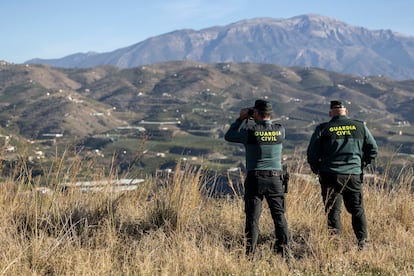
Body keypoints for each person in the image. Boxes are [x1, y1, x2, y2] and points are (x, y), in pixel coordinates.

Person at [307, 100, 378, 250]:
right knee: (357, 210)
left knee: (333, 211)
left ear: (330, 112)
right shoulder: (360, 127)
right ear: (347, 111)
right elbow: (373, 150)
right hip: (353, 175)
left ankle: (335, 246)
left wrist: (318, 168)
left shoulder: (323, 128)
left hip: (330, 175)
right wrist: (361, 164)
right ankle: (363, 243)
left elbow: (311, 153)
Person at [224, 99, 289, 257]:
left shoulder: (251, 132)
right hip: (275, 179)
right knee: (279, 216)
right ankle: (285, 253)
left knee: (253, 218)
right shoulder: (280, 130)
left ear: (257, 113)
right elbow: (269, 128)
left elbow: (229, 136)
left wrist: (241, 118)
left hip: (256, 179)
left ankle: (250, 254)